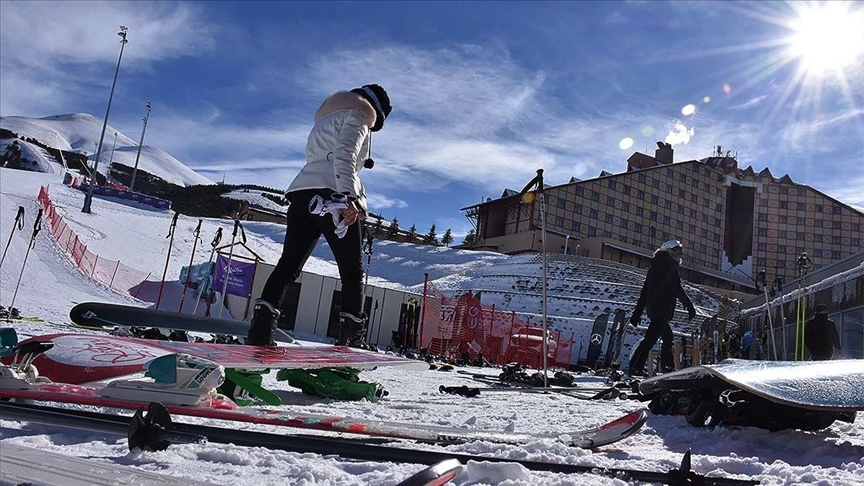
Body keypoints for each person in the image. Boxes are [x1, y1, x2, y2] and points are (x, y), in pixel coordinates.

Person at [246, 84, 392, 348]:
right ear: (376, 112)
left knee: (288, 265)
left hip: (302, 193)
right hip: (333, 195)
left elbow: (319, 157)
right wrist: (349, 196)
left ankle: (259, 334)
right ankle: (349, 344)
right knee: (351, 271)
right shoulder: (358, 116)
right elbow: (344, 155)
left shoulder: (325, 120)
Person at [627, 240, 696, 375]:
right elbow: (676, 288)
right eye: (678, 251)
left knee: (667, 338)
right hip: (662, 309)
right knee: (650, 339)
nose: (679, 255)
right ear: (671, 251)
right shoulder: (670, 265)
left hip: (654, 309)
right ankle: (636, 367)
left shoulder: (655, 267)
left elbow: (644, 291)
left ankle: (666, 367)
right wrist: (689, 305)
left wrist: (638, 312)